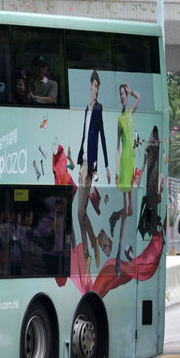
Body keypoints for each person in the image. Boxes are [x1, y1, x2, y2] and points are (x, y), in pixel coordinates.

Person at [76, 69, 110, 275]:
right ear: (90, 85)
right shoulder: (86, 109)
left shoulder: (98, 108)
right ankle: (88, 253)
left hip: (91, 167)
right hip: (82, 163)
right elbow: (84, 136)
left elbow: (103, 137)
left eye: (98, 86)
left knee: (81, 212)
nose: (96, 89)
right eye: (94, 85)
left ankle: (91, 248)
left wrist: (105, 166)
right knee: (80, 214)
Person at [110, 83, 141, 273]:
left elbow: (139, 97)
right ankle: (118, 259)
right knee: (127, 214)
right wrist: (115, 171)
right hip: (124, 164)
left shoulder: (130, 113)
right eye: (121, 94)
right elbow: (117, 147)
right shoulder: (120, 119)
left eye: (124, 94)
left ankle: (115, 215)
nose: (123, 96)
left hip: (132, 163)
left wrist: (131, 90)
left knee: (129, 212)